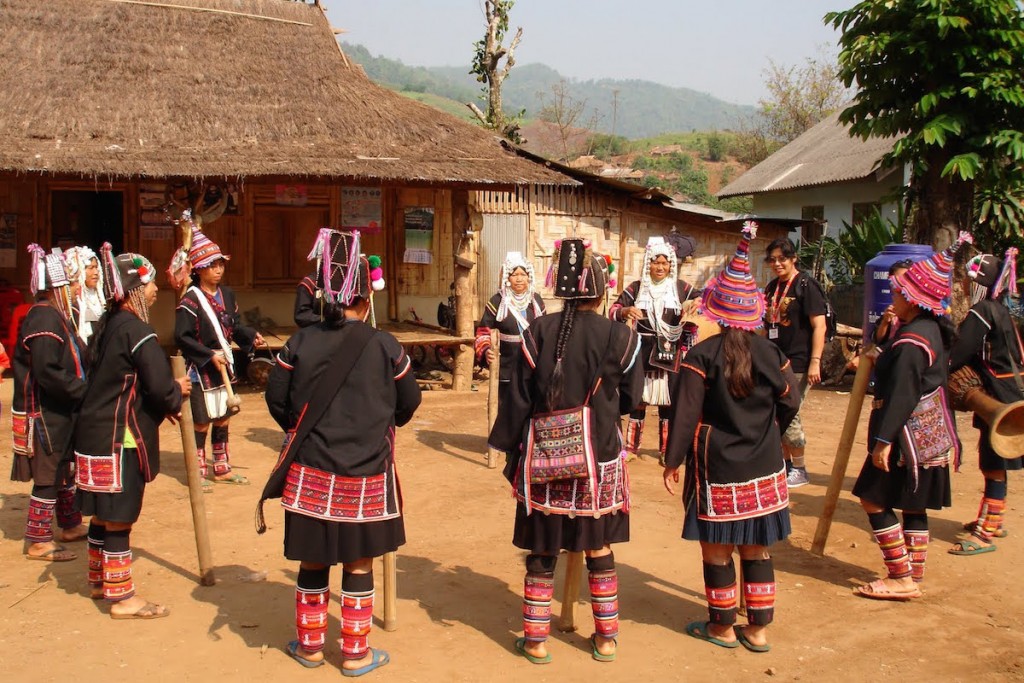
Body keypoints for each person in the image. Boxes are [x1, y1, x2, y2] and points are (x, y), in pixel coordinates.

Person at [259, 228, 419, 676]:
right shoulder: (385, 345)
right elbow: (409, 403)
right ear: (366, 300)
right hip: (366, 473)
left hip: (310, 472)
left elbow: (277, 400)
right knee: (358, 564)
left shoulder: (298, 342)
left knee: (313, 561)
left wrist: (303, 430)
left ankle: (310, 648)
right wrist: (378, 427)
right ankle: (355, 654)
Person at [490, 238, 642, 664]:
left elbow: (519, 399)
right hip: (600, 456)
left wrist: (510, 450)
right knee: (599, 548)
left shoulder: (538, 330)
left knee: (542, 548)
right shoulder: (621, 337)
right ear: (602, 291)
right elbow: (631, 399)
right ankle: (606, 638)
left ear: (561, 288)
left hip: (545, 457)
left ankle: (536, 640)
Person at [663, 223, 800, 653]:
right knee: (757, 550)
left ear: (715, 308)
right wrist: (769, 429)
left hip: (716, 466)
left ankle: (722, 627)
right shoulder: (771, 354)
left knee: (717, 550)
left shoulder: (701, 356)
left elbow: (684, 416)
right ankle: (757, 631)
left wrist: (672, 460)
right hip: (763, 465)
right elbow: (791, 399)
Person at [852, 232, 971, 600]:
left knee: (873, 499)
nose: (895, 297)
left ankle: (900, 575)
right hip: (931, 433)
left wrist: (883, 442)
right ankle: (913, 574)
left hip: (905, 436)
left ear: (916, 299)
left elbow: (902, 395)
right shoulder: (931, 331)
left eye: (901, 293)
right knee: (915, 505)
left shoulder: (909, 345)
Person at [73, 246, 188, 618]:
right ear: (136, 288)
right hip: (117, 438)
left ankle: (97, 580)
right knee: (119, 516)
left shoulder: (107, 328)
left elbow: (127, 385)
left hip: (92, 434)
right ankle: (121, 597)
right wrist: (178, 392)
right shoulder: (138, 331)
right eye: (152, 283)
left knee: (101, 514)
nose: (156, 290)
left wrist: (162, 401)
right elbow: (157, 386)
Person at [11, 245, 89, 561]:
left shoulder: (59, 316)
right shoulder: (43, 318)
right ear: (57, 288)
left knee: (64, 467)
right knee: (49, 470)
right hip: (46, 410)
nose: (76, 290)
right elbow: (46, 371)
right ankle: (38, 539)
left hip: (63, 406)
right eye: (72, 285)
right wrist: (82, 391)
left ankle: (69, 525)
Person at [175, 220, 263, 486]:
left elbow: (232, 326)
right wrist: (208, 355)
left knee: (223, 419)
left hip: (225, 363)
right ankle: (198, 471)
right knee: (202, 421)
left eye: (220, 264)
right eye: (212, 265)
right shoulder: (189, 300)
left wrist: (250, 336)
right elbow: (182, 336)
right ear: (199, 270)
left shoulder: (228, 294)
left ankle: (222, 468)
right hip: (201, 367)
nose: (218, 270)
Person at [948, 248, 1023, 555]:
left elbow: (959, 353)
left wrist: (939, 369)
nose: (963, 282)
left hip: (998, 397)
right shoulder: (1000, 309)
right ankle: (993, 518)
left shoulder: (981, 311)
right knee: (995, 462)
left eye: (967, 277)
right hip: (1012, 389)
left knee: (993, 464)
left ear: (977, 281)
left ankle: (986, 533)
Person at [610, 234, 699, 464]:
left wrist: (693, 305)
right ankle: (631, 448)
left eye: (665, 263)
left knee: (668, 403)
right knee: (638, 399)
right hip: (642, 351)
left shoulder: (680, 288)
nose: (660, 267)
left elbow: (703, 299)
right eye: (656, 262)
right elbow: (614, 309)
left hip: (671, 352)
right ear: (648, 263)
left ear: (671, 264)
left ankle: (666, 450)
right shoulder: (638, 288)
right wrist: (624, 312)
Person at [762, 237, 827, 488]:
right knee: (778, 414)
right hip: (774, 360)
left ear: (793, 258)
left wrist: (815, 361)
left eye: (782, 258)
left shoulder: (806, 285)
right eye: (773, 259)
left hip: (799, 362)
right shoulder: (771, 288)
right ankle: (786, 466)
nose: (777, 263)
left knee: (792, 414)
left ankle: (800, 468)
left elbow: (819, 325)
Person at [475, 251, 546, 412]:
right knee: (505, 408)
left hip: (532, 365)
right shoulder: (498, 301)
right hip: (506, 366)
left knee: (530, 407)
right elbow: (483, 332)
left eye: (523, 274)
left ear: (529, 277)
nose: (519, 278)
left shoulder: (536, 301)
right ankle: (505, 437)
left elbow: (545, 332)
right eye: (514, 274)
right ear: (507, 277)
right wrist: (486, 351)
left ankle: (526, 437)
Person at [64, 246, 105, 345]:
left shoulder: (100, 298)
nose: (96, 272)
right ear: (81, 271)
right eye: (91, 268)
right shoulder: (74, 303)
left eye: (96, 267)